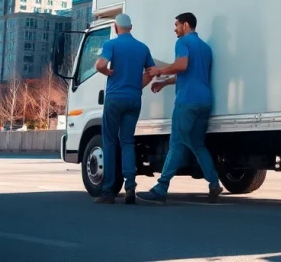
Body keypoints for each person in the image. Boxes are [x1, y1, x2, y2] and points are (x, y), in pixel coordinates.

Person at [138, 12, 222, 204]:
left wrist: (159, 71)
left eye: (176, 25)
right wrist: (165, 82)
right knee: (198, 145)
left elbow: (182, 65)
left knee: (176, 144)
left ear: (185, 25)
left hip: (187, 101)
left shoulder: (183, 43)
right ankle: (214, 183)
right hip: (204, 101)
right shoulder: (205, 48)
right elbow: (189, 74)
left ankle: (160, 188)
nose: (175, 29)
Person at [94, 13, 155, 205]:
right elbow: (151, 72)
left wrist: (106, 71)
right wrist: (137, 86)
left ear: (115, 27)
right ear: (131, 27)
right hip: (134, 99)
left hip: (114, 98)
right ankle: (130, 185)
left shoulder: (111, 45)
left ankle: (109, 192)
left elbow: (100, 64)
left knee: (110, 142)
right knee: (127, 142)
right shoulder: (142, 48)